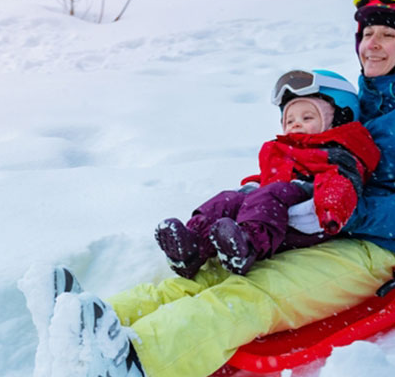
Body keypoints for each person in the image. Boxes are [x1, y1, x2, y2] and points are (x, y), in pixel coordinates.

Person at [22, 0, 395, 377]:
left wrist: (337, 214)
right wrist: (260, 196)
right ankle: (84, 328)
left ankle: (129, 369)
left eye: (388, 35)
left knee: (249, 293)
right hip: (307, 235)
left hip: (370, 247)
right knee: (204, 275)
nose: (371, 44)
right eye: (367, 33)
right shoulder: (357, 100)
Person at [154, 69, 381, 279]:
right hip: (274, 209)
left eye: (307, 118)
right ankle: (192, 247)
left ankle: (247, 245)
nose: (296, 124)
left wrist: (331, 210)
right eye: (289, 120)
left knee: (271, 193)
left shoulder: (337, 152)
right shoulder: (283, 150)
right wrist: (248, 189)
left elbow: (341, 182)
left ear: (339, 118)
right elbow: (268, 178)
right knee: (229, 198)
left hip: (309, 218)